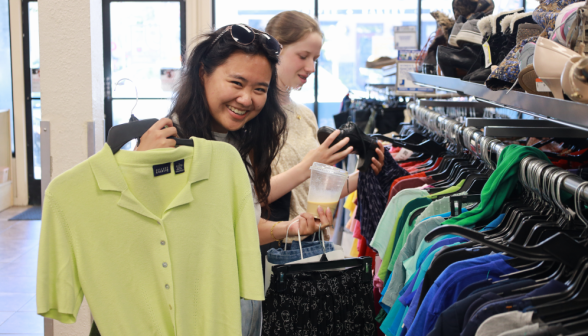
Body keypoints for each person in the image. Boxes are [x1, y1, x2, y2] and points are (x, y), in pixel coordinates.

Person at [264, 11, 386, 222]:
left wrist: (365, 173)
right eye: (303, 56)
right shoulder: (253, 117)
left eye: (315, 59)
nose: (311, 68)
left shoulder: (305, 115)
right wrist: (308, 166)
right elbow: (250, 198)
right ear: (275, 50)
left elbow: (316, 197)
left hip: (313, 244)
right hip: (276, 247)